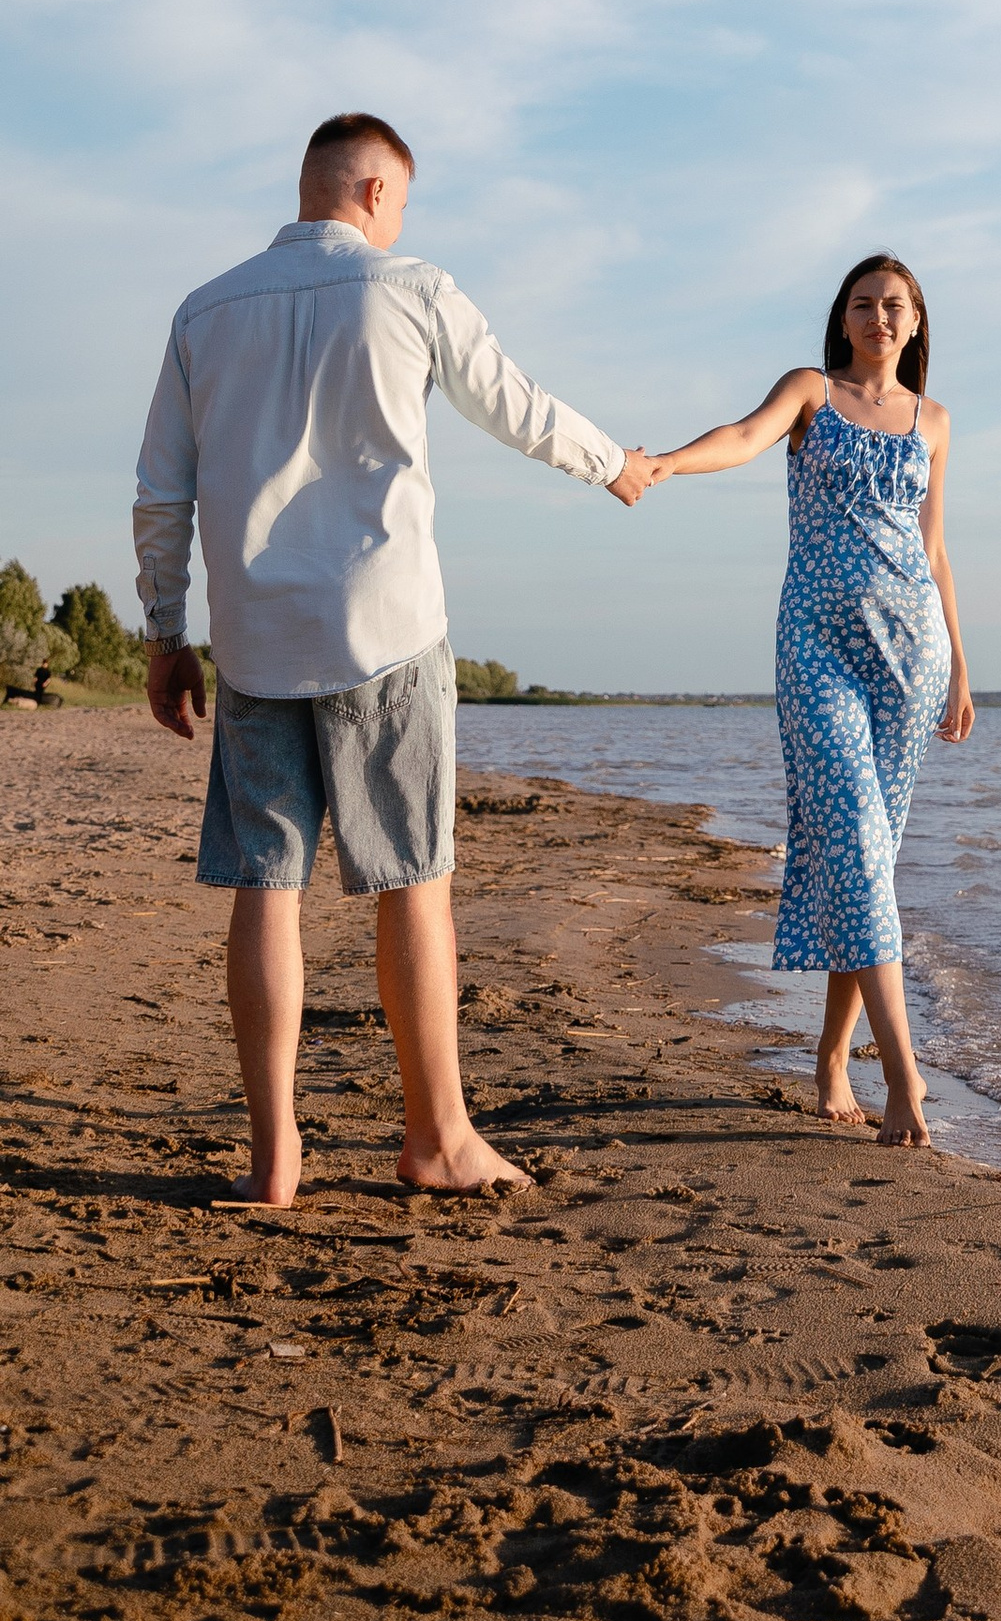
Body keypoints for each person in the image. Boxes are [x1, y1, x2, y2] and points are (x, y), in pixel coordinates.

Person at [133, 112, 663, 1205]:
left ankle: (275, 1156)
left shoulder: (204, 309)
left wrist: (162, 632)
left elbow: (160, 492)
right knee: (413, 881)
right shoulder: (409, 285)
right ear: (375, 192)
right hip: (386, 630)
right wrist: (613, 465)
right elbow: (512, 406)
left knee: (265, 887)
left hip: (254, 640)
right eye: (403, 204)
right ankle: (435, 1137)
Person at [648, 253, 972, 1145]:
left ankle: (831, 1057)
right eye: (864, 304)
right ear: (843, 319)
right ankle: (905, 1079)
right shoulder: (811, 394)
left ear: (914, 323)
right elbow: (742, 436)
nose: (879, 317)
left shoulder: (934, 421)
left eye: (894, 306)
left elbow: (935, 549)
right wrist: (671, 463)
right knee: (860, 845)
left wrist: (962, 664)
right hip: (815, 646)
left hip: (912, 655)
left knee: (866, 856)